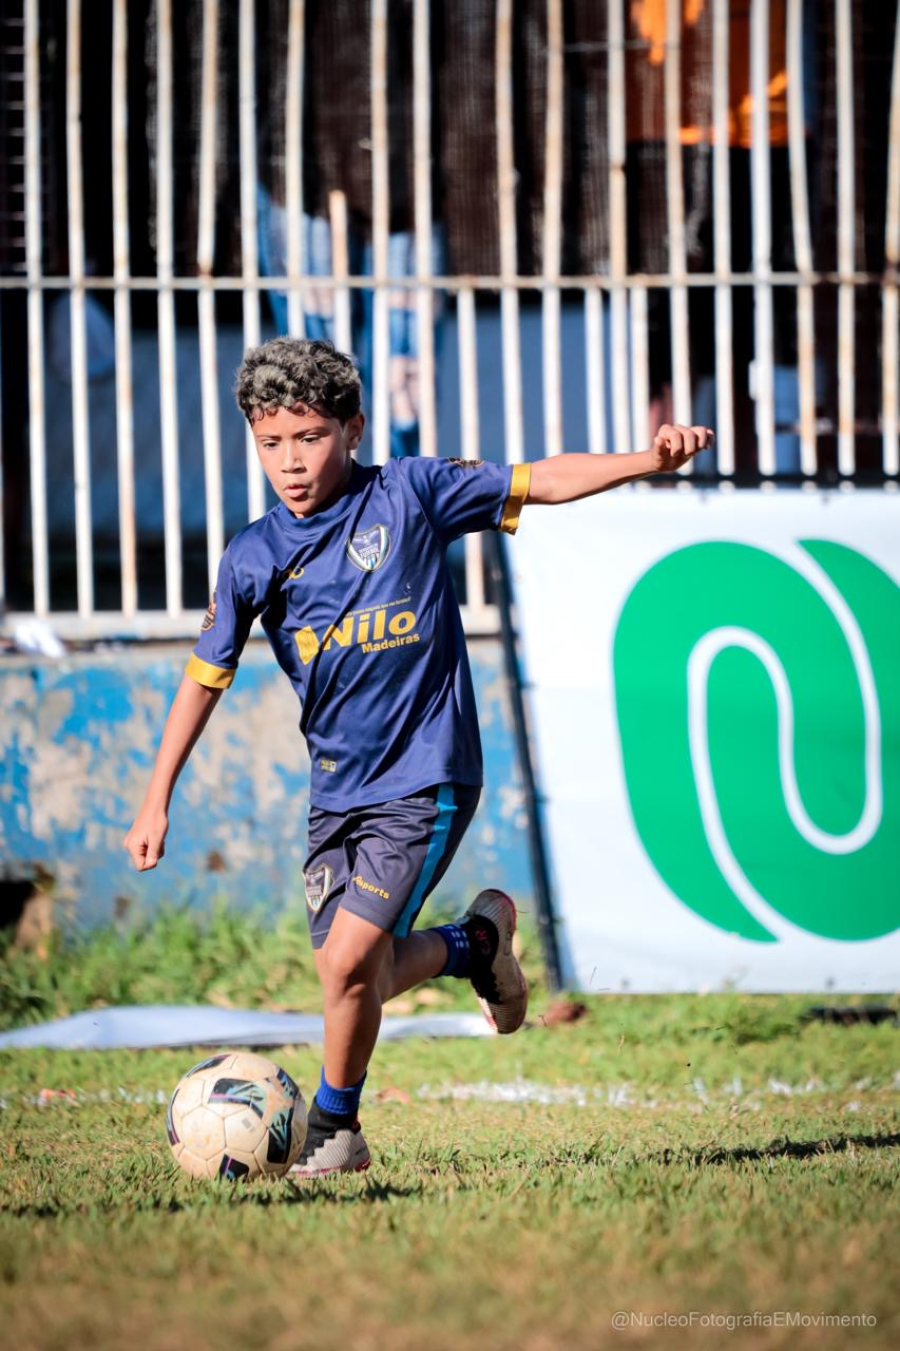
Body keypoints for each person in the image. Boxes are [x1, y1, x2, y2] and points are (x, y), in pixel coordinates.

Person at [123, 337, 713, 1177]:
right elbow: (203, 676)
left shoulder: (411, 492)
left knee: (347, 958)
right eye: (270, 442)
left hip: (427, 774)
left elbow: (540, 479)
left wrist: (646, 462)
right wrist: (157, 797)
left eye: (310, 437)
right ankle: (476, 943)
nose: (290, 461)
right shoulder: (253, 555)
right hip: (337, 792)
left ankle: (333, 1129)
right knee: (350, 974)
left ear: (353, 427)